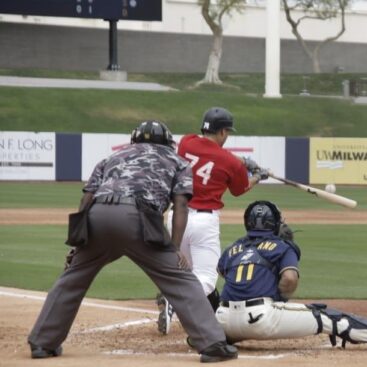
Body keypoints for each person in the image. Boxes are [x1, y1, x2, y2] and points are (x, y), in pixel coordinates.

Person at [27, 121, 237, 363]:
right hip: (139, 220)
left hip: (98, 216)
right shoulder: (178, 161)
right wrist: (174, 248)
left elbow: (86, 199)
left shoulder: (113, 157)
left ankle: (42, 343)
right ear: (168, 142)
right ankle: (212, 344)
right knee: (181, 278)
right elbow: (181, 206)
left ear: (134, 139)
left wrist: (78, 244)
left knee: (72, 278)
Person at [214, 200, 367, 351]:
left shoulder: (234, 248)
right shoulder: (282, 246)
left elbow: (222, 272)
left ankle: (208, 338)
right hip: (262, 319)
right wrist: (280, 300)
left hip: (222, 321)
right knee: (329, 316)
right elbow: (290, 279)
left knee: (231, 324)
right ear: (275, 224)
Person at [157, 107, 268, 335]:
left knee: (183, 272)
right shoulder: (231, 162)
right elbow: (240, 189)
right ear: (223, 131)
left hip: (175, 217)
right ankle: (172, 301)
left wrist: (244, 162)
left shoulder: (187, 142)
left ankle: (173, 299)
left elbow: (209, 153)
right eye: (227, 131)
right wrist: (257, 175)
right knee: (206, 279)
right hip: (203, 222)